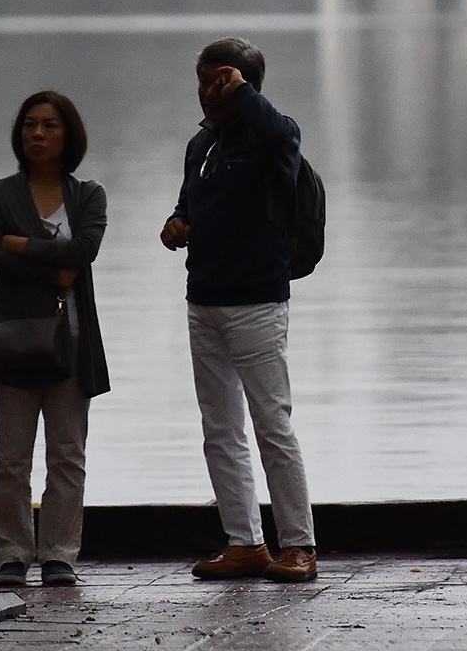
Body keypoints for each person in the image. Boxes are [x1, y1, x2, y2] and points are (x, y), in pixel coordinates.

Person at [160, 38, 317, 583]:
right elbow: (189, 202)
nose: (208, 91)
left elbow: (276, 132)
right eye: (202, 79)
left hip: (258, 302)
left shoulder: (275, 135)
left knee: (272, 424)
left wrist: (244, 93)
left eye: (220, 80)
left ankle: (298, 543)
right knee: (220, 429)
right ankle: (244, 542)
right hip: (203, 299)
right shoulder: (201, 145)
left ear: (245, 85)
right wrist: (177, 223)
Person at [0, 91, 111, 588]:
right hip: (15, 342)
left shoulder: (88, 195)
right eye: (30, 124)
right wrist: (53, 266)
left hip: (72, 345)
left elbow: (85, 250)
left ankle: (59, 554)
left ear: (68, 135)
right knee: (11, 458)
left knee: (67, 455)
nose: (38, 134)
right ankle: (13, 553)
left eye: (50, 126)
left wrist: (24, 245)